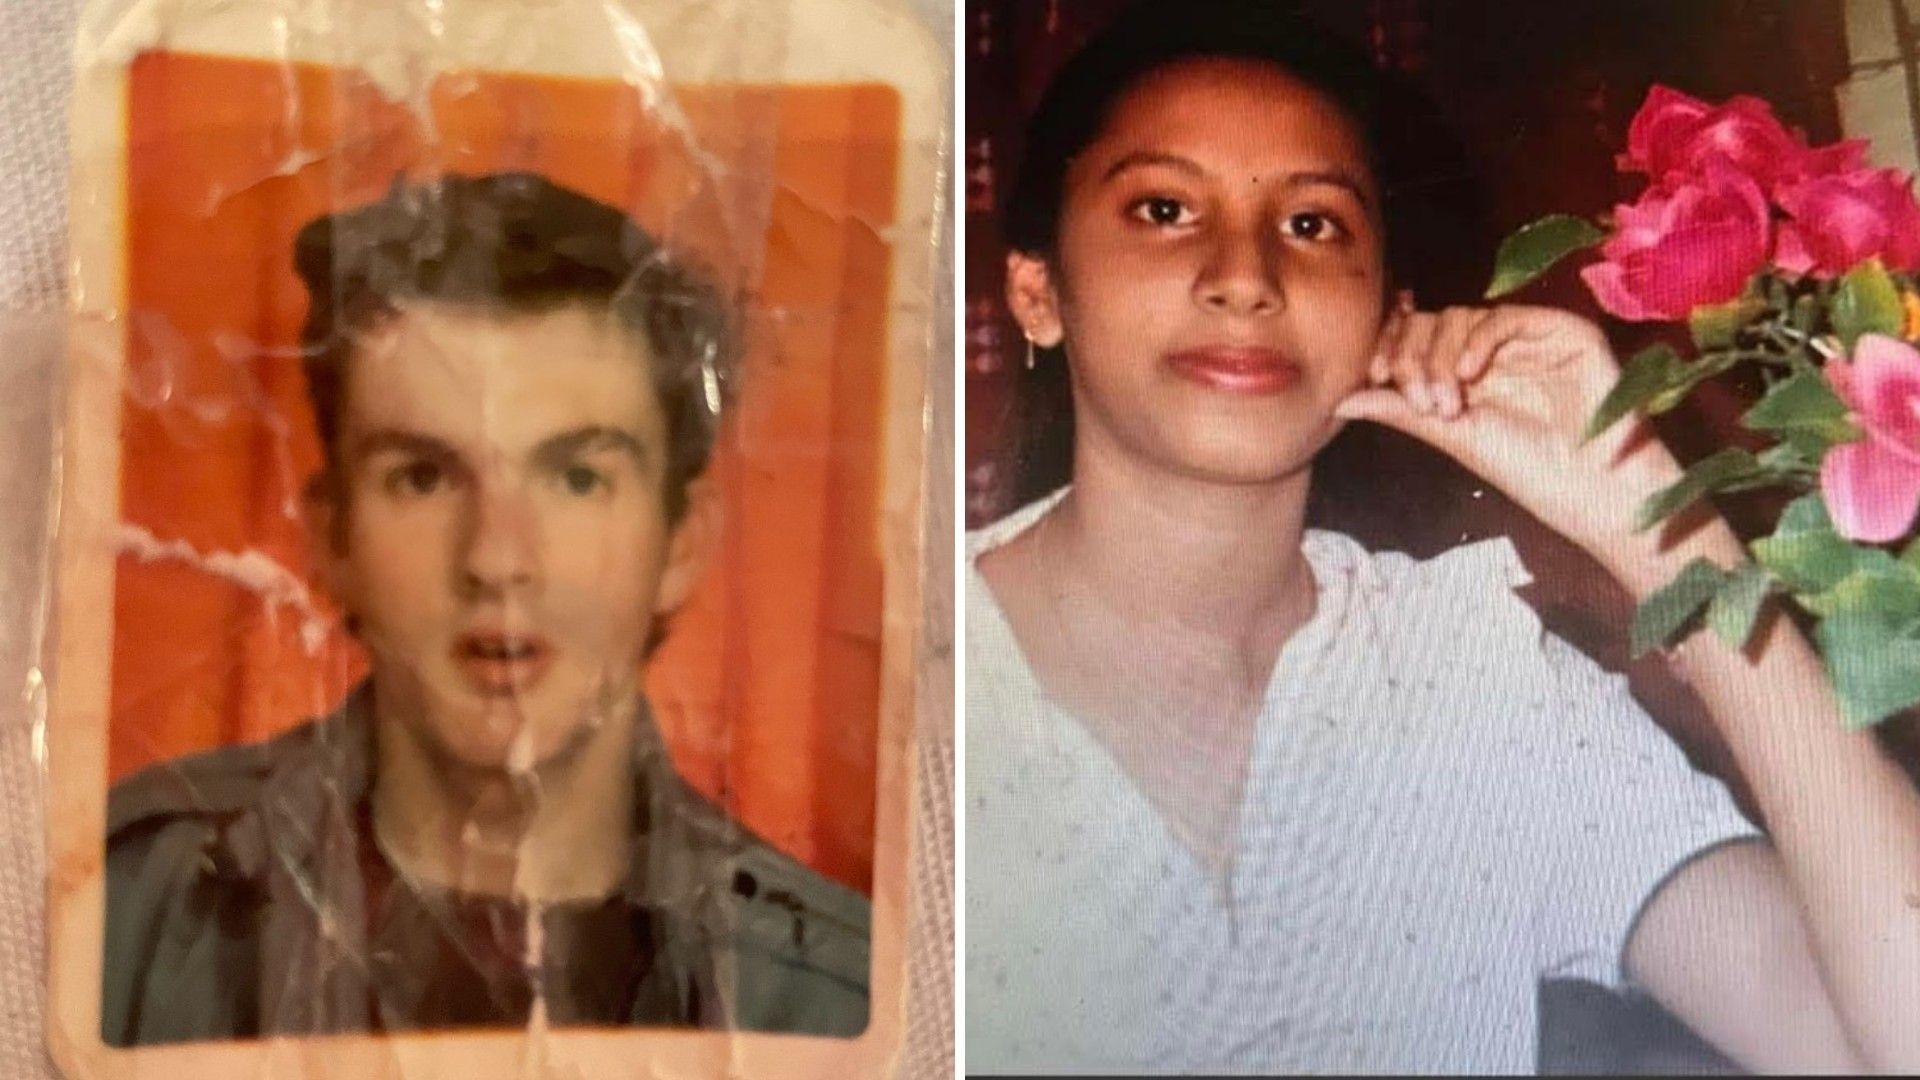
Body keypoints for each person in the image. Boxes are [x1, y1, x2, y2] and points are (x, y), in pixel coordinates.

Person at [966, 3, 1920, 1073]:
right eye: (1163, 208)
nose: (1247, 275)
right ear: (1038, 293)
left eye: (1314, 224)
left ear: (1391, 309)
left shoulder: (1479, 680)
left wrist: (1652, 515)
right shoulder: (893, 683)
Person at [102, 172, 870, 1045]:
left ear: (682, 542)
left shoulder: (836, 995)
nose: (498, 559)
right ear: (333, 540)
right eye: (423, 477)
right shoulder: (130, 915)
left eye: (578, 477)